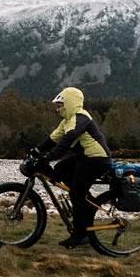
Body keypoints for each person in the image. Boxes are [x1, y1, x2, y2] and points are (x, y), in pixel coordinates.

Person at [33, 87, 113, 248]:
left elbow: (64, 144)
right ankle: (86, 202)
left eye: (60, 104)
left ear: (70, 103)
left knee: (76, 193)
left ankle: (81, 234)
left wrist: (47, 158)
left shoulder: (80, 118)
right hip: (85, 158)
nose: (58, 108)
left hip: (96, 160)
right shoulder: (67, 121)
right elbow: (52, 140)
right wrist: (36, 151)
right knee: (60, 170)